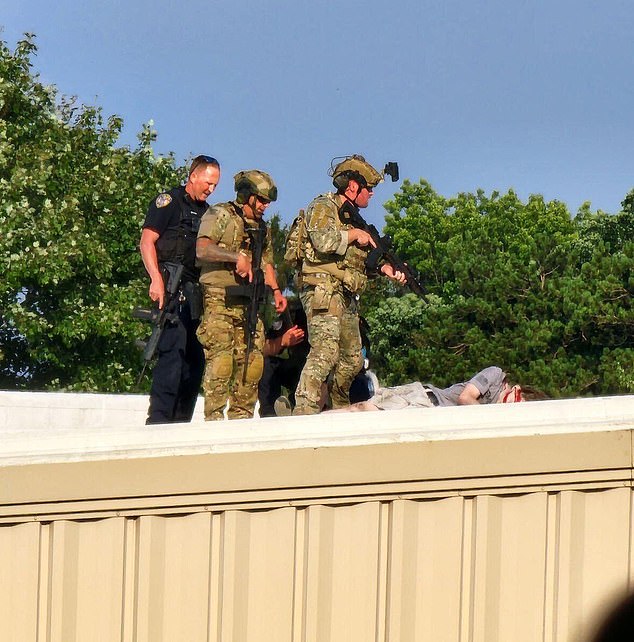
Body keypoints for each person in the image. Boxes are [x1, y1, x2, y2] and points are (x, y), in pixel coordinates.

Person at [292, 155, 406, 415]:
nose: (372, 194)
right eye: (370, 188)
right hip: (322, 288)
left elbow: (359, 262)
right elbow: (323, 241)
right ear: (353, 187)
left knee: (354, 359)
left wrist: (386, 269)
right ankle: (303, 412)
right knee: (325, 352)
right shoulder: (324, 206)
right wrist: (355, 235)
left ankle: (339, 408)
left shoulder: (353, 218)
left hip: (345, 293)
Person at [196, 170, 287, 420]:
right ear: (247, 195)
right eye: (262, 200)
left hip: (250, 301)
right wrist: (236, 257)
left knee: (252, 363)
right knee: (221, 362)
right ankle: (213, 420)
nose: (265, 206)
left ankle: (242, 422)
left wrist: (277, 292)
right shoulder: (221, 214)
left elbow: (267, 264)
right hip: (219, 298)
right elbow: (202, 249)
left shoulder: (262, 228)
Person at [139, 155, 221, 424]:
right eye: (208, 182)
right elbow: (147, 241)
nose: (210, 189)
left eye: (215, 185)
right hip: (171, 290)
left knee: (195, 362)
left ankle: (181, 422)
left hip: (197, 294)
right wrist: (155, 279)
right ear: (194, 176)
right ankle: (159, 420)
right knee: (172, 357)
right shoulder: (169, 202)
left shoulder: (210, 214)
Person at [326, 366, 543, 412]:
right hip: (426, 399)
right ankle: (317, 419)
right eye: (516, 398)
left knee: (363, 412)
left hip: (427, 411)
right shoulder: (495, 375)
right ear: (516, 388)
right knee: (361, 410)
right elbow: (466, 398)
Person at [258, 303, 309, 417]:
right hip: (282, 368)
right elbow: (261, 350)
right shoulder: (272, 314)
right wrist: (282, 341)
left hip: (305, 368)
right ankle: (269, 412)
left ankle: (299, 407)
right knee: (265, 364)